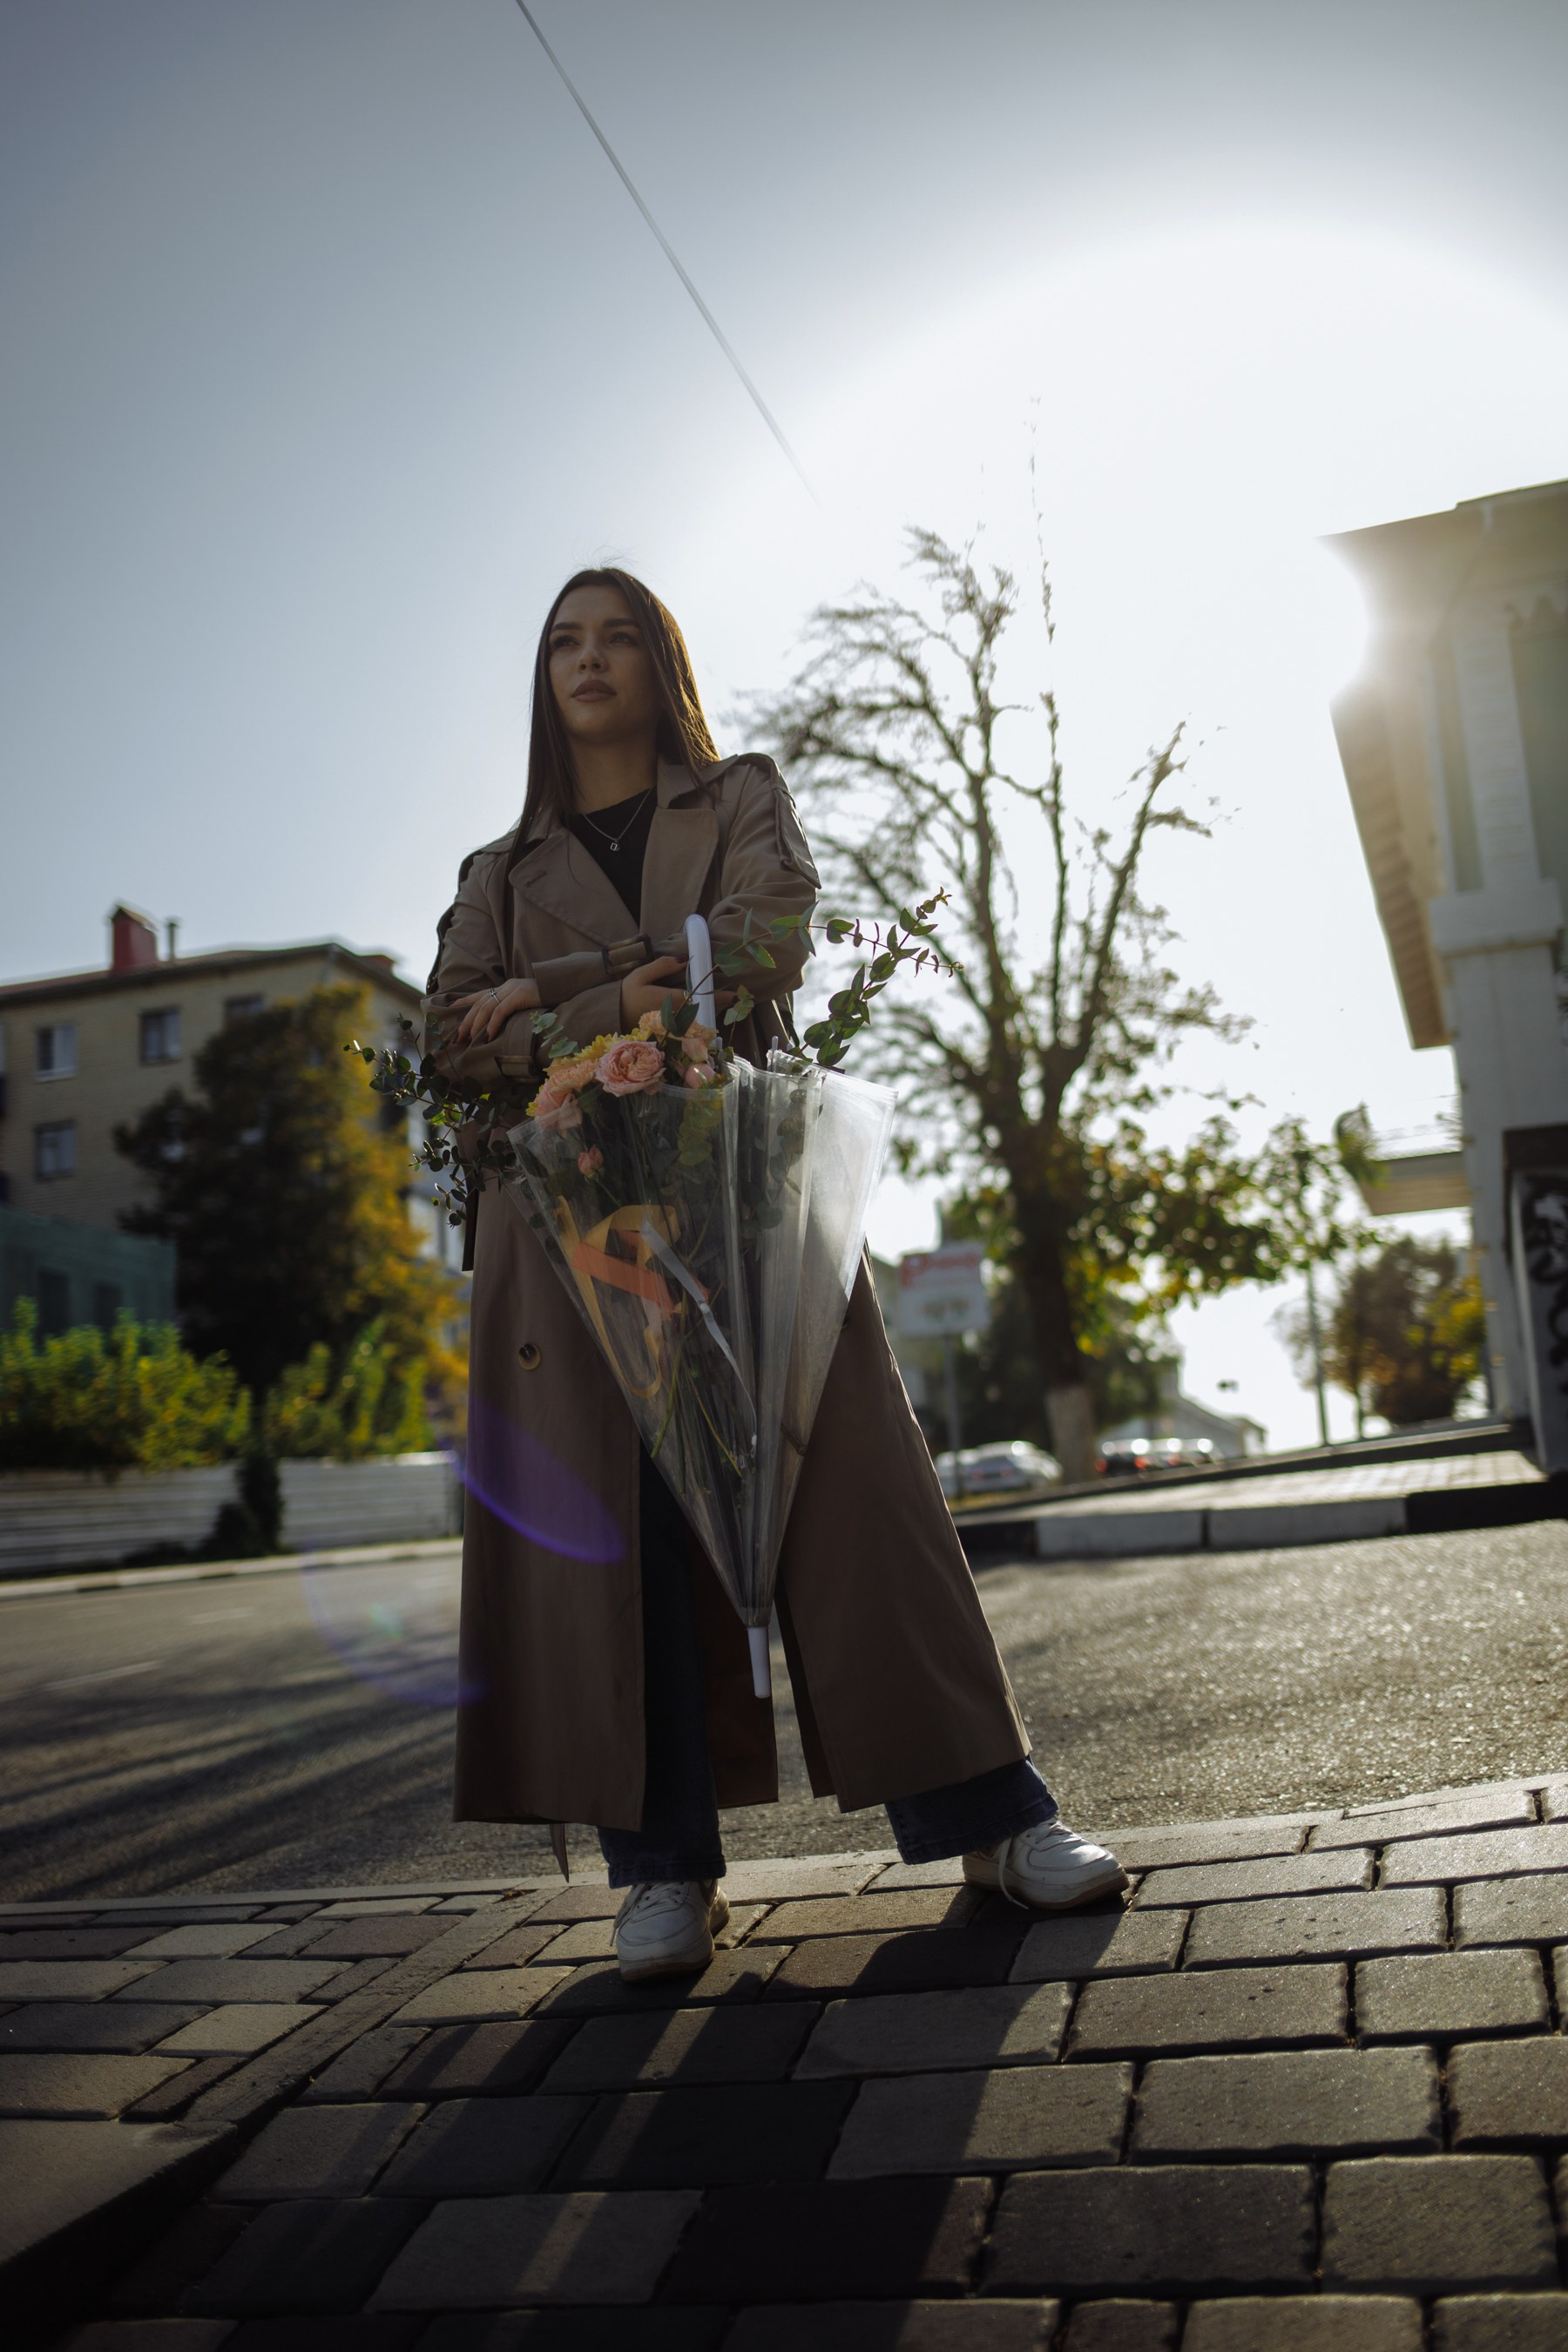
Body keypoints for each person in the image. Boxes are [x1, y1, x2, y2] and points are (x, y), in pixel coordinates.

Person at [423, 567, 1126, 1982]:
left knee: (854, 1489)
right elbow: (449, 1039)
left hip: (743, 1181)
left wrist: (564, 992)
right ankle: (663, 1874)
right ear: (544, 679)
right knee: (626, 1529)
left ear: (660, 661)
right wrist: (611, 997)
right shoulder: (494, 874)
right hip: (572, 1233)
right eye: (564, 640)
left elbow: (768, 937)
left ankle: (991, 1821)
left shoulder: (738, 792)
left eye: (618, 636)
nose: (589, 659)